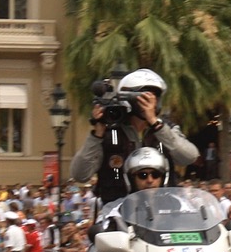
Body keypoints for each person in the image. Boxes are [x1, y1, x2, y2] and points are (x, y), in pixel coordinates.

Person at [69, 68, 199, 207]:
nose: (150, 101)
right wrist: (97, 134)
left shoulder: (165, 128)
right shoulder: (110, 132)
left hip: (163, 211)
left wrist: (156, 125)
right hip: (117, 213)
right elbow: (79, 175)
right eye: (145, 97)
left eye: (154, 97)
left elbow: (190, 157)